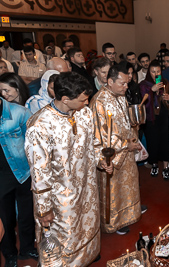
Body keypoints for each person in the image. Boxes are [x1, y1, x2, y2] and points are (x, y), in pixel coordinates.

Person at [25, 72, 100, 266]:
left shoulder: (84, 112)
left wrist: (102, 160)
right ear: (65, 99)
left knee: (87, 228)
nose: (87, 103)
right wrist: (44, 209)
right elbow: (39, 173)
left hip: (87, 187)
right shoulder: (40, 126)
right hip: (61, 198)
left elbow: (93, 144)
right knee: (65, 239)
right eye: (83, 100)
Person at [90, 65, 145, 235]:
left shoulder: (120, 96)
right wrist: (124, 145)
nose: (126, 87)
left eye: (127, 83)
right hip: (112, 156)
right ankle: (115, 222)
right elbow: (101, 135)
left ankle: (131, 211)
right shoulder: (99, 102)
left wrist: (134, 130)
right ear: (110, 81)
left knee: (129, 185)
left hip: (127, 149)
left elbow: (124, 122)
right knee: (114, 190)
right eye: (122, 83)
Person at [0, 96, 36, 267]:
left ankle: (27, 248)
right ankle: (9, 253)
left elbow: (33, 141)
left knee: (27, 214)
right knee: (5, 219)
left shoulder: (19, 112)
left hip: (23, 171)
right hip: (1, 178)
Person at [140, 60, 169, 179]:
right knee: (152, 141)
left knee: (165, 141)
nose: (156, 74)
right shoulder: (144, 84)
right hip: (151, 118)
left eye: (158, 71)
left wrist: (168, 98)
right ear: (149, 72)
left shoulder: (165, 82)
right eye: (153, 71)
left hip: (164, 116)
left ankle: (165, 167)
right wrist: (151, 90)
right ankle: (154, 165)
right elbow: (142, 101)